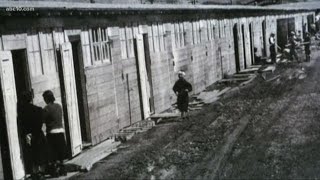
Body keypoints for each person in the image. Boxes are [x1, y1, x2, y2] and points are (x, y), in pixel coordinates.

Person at [17, 91, 47, 180]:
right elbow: (41, 122)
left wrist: (27, 133)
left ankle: (35, 173)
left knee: (32, 155)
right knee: (40, 153)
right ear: (31, 98)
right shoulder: (38, 109)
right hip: (38, 133)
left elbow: (22, 125)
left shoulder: (21, 112)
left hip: (29, 136)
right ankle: (41, 173)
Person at [42, 90, 67, 177]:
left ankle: (55, 171)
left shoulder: (46, 108)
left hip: (52, 132)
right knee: (60, 152)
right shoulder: (59, 106)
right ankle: (63, 170)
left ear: (46, 99)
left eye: (44, 98)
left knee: (53, 153)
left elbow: (43, 120)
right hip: (60, 131)